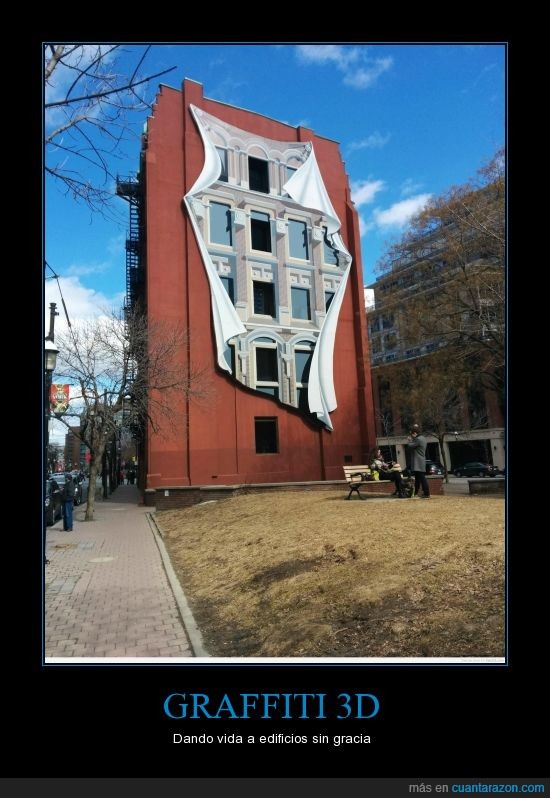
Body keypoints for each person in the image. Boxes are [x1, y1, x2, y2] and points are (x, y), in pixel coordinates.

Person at [407, 424, 430, 498]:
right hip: (421, 461)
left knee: (422, 478)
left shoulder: (418, 439)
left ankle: (426, 493)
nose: (411, 436)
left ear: (414, 433)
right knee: (417, 478)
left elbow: (410, 446)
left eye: (412, 435)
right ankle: (416, 492)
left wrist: (409, 440)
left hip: (418, 462)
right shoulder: (423, 438)